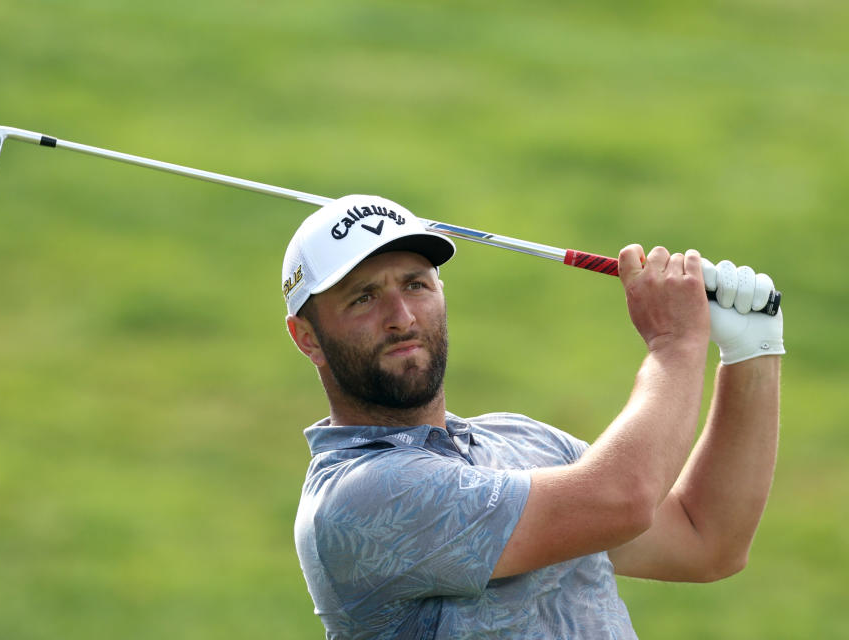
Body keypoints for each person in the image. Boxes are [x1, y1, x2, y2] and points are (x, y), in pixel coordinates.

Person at [282, 194, 783, 639]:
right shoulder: (360, 498)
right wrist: (675, 344)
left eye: (416, 285)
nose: (402, 316)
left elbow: (706, 540)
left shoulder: (522, 441)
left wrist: (752, 352)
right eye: (363, 298)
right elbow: (622, 499)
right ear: (307, 336)